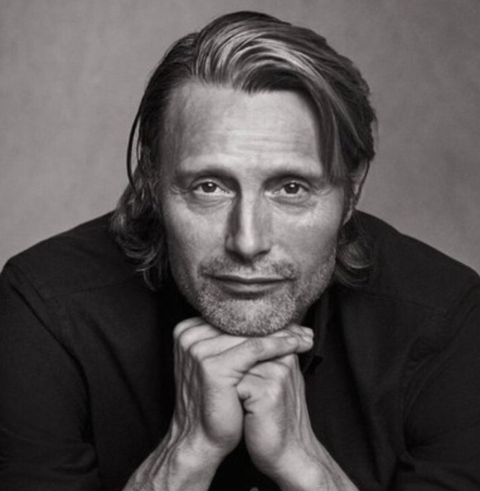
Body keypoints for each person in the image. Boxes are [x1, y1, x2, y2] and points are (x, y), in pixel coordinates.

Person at [1, 10, 479, 491]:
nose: (248, 242)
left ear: (351, 190)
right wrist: (187, 453)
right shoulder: (46, 308)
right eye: (209, 187)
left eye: (291, 188)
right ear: (152, 183)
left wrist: (306, 466)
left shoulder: (448, 320)